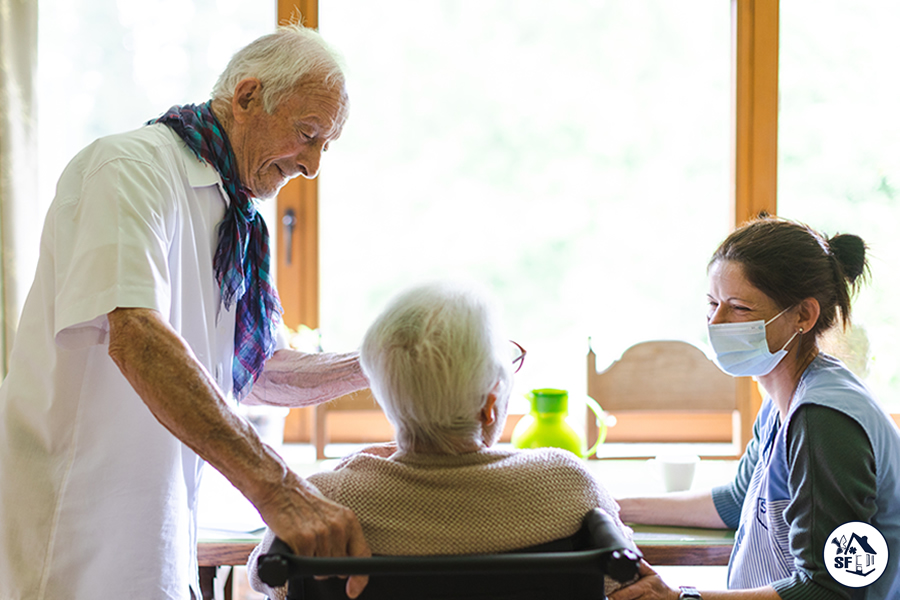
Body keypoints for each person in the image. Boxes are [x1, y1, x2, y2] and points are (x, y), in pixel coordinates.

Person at [0, 25, 374, 600]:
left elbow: (258, 373)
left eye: (326, 145)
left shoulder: (232, 214)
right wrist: (278, 489)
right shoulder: (128, 169)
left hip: (156, 541)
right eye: (307, 134)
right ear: (248, 97)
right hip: (74, 545)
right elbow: (138, 339)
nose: (312, 166)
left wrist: (378, 362)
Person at [246, 281, 634, 599]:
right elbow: (622, 579)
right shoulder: (566, 483)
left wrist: (350, 470)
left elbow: (265, 578)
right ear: (489, 405)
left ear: (386, 398)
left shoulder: (326, 498)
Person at [611, 216, 900, 600]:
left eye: (740, 309)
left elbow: (829, 591)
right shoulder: (787, 392)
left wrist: (681, 598)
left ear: (803, 315)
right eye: (712, 305)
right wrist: (615, 507)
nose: (716, 323)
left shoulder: (823, 421)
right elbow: (735, 501)